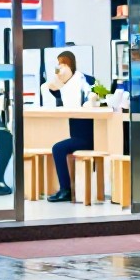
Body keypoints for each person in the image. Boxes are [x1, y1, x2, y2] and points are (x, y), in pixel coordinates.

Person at [46, 51, 95, 203]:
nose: (61, 67)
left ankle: (65, 189)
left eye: (64, 63)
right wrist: (57, 83)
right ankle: (65, 188)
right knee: (59, 147)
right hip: (77, 134)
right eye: (59, 64)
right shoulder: (64, 85)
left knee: (58, 148)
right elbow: (56, 93)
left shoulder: (85, 80)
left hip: (86, 136)